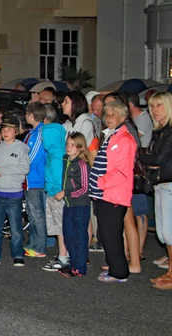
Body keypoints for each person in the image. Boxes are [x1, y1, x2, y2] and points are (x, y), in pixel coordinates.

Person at [89, 100, 136, 283]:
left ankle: (119, 272)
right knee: (107, 235)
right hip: (105, 194)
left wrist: (100, 182)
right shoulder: (113, 136)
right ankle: (115, 268)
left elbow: (121, 171)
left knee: (111, 235)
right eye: (107, 115)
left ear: (123, 117)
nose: (109, 118)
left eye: (113, 115)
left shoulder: (124, 139)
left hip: (113, 194)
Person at [0, 114, 30, 267]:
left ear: (16, 131)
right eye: (4, 129)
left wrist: (3, 170)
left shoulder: (21, 148)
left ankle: (18, 254)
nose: (6, 132)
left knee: (15, 228)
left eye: (10, 129)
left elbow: (24, 168)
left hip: (13, 194)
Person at [140, 92, 172, 289]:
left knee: (169, 232)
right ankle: (170, 271)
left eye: (159, 105)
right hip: (161, 183)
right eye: (152, 106)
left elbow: (158, 159)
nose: (154, 110)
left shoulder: (169, 131)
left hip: (169, 183)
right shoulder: (160, 131)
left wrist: (143, 159)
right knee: (164, 233)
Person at [56, 133, 91, 278]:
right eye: (67, 144)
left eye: (72, 145)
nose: (69, 147)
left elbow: (84, 188)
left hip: (80, 205)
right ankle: (74, 263)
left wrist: (66, 193)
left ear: (80, 147)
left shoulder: (81, 164)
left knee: (79, 236)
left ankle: (80, 267)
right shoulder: (67, 160)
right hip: (69, 205)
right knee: (68, 235)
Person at [41, 103, 69, 271]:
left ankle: (64, 257)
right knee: (58, 227)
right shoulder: (55, 153)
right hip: (53, 193)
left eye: (45, 137)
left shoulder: (57, 156)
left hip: (57, 195)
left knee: (60, 227)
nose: (43, 139)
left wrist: (54, 191)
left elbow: (58, 178)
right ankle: (63, 255)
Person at [128, 93, 153, 261]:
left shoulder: (141, 120)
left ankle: (140, 250)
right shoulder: (134, 122)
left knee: (140, 212)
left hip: (139, 169)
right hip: (134, 168)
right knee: (134, 212)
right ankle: (134, 249)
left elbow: (136, 143)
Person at [23, 102, 48, 258]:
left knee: (37, 213)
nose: (25, 116)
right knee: (32, 213)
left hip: (35, 179)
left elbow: (33, 156)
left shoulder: (39, 133)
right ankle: (33, 243)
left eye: (27, 114)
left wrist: (21, 168)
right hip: (30, 178)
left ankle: (39, 247)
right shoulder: (32, 133)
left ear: (32, 116)